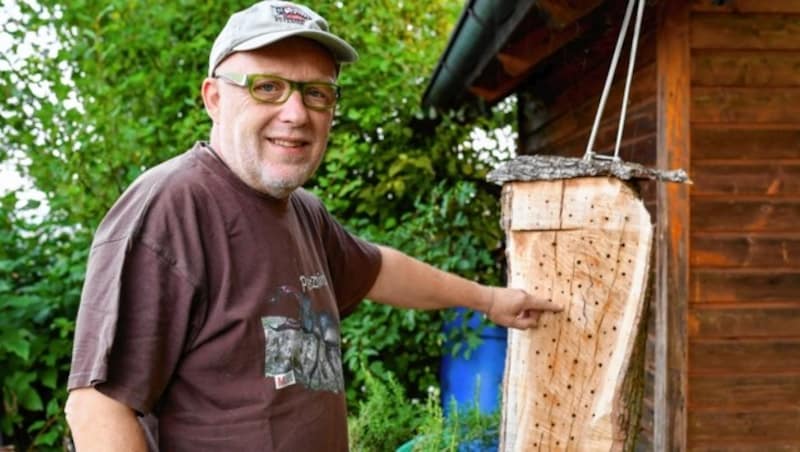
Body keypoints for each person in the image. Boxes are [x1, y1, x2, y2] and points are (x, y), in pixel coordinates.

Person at [64, 1, 562, 450]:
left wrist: (489, 300)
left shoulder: (302, 210)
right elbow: (97, 406)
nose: (297, 113)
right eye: (268, 87)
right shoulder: (170, 209)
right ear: (214, 97)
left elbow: (379, 270)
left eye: (317, 93)